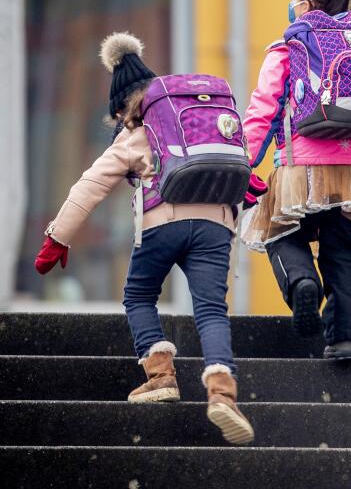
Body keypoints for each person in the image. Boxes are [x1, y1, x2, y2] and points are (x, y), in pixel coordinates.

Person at [33, 32, 254, 445]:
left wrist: (57, 238)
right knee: (210, 308)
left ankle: (161, 374)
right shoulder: (191, 121)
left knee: (138, 295)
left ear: (122, 107)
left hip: (163, 221)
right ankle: (223, 391)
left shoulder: (135, 133)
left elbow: (90, 184)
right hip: (216, 223)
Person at [242, 0, 351, 362]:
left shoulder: (289, 45)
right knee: (345, 251)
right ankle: (346, 339)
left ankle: (303, 281)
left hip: (299, 166)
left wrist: (245, 163)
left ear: (304, 3)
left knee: (280, 232)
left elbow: (263, 111)